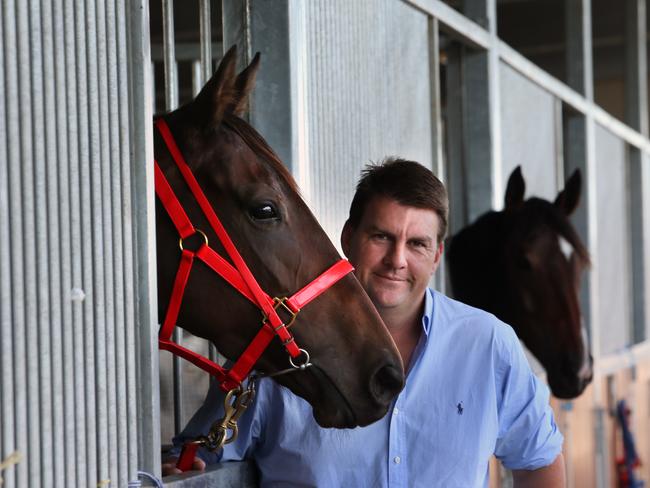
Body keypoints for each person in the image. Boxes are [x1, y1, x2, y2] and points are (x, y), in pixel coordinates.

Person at [163, 158, 565, 487]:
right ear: (348, 236)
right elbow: (199, 460)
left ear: (437, 255)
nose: (397, 260)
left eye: (417, 244)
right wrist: (183, 471)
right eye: (382, 237)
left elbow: (539, 460)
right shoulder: (278, 347)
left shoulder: (488, 344)